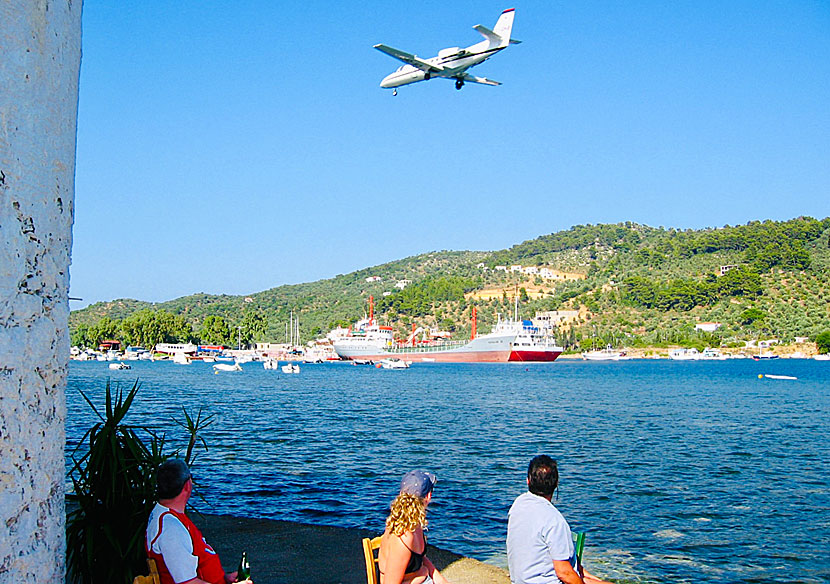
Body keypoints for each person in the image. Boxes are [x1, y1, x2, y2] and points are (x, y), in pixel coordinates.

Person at [507, 455, 611, 584]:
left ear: (528, 480)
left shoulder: (518, 505)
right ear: (556, 483)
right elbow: (564, 572)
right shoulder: (554, 520)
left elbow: (572, 568)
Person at [145, 459, 252, 584]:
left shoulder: (166, 516)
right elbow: (187, 583)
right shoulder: (171, 529)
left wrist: (225, 579)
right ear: (187, 485)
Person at [378, 470, 451, 584]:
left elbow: (421, 559)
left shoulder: (413, 522)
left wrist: (441, 580)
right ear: (428, 496)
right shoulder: (402, 536)